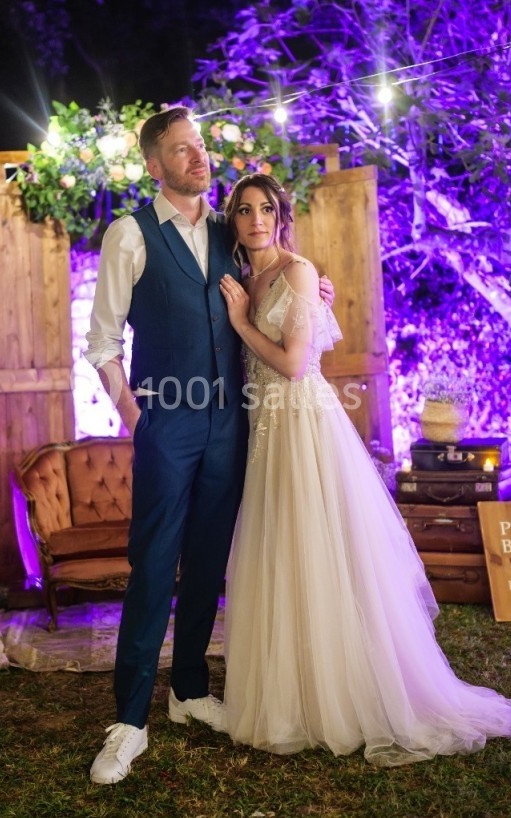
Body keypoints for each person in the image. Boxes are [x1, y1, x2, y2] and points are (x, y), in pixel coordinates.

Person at [216, 173, 511, 766]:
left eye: (266, 209)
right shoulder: (247, 279)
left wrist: (240, 324)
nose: (256, 220)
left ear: (281, 216)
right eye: (244, 211)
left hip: (302, 426)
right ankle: (294, 693)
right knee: (282, 552)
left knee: (322, 548)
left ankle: (349, 692)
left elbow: (292, 362)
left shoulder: (299, 272)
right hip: (265, 429)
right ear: (234, 220)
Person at [83, 107, 333, 785]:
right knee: (153, 568)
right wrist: (140, 420)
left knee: (207, 562)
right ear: (155, 165)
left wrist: (317, 293)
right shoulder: (129, 236)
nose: (199, 157)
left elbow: (282, 275)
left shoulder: (232, 233)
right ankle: (129, 722)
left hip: (235, 425)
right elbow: (101, 345)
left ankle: (189, 690)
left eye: (200, 146)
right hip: (167, 423)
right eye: (181, 150)